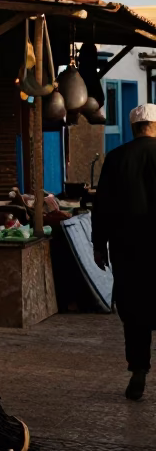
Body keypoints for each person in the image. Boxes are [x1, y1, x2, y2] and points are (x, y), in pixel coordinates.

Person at [92, 102, 156, 400]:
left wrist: (97, 244)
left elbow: (101, 206)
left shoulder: (116, 158)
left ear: (133, 128)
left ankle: (139, 370)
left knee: (135, 312)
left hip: (127, 250)